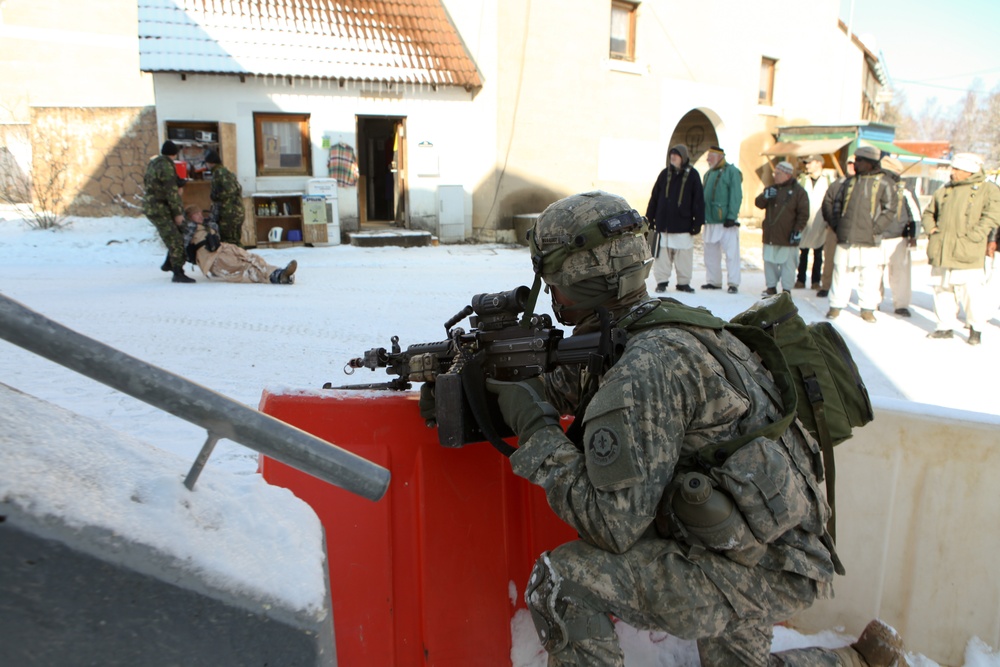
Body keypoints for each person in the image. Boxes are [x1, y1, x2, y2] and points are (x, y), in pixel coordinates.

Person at [483, 190, 906, 666]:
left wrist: (536, 428)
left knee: (562, 582)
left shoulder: (648, 364)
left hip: (754, 561)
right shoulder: (667, 327)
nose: (551, 293)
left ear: (580, 282)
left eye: (554, 280)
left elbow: (612, 527)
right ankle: (864, 661)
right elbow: (587, 385)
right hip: (772, 543)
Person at [923, 153, 1000, 345]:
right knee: (942, 289)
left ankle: (976, 328)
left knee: (971, 292)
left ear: (969, 171)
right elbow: (929, 212)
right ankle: (944, 326)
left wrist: (976, 235)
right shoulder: (945, 189)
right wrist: (931, 229)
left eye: (957, 169)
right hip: (941, 248)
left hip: (968, 250)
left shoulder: (987, 189)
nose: (953, 172)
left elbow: (993, 215)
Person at [825, 146, 896, 323]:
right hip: (846, 235)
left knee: (869, 275)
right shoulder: (849, 182)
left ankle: (867, 308)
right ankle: (835, 305)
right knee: (841, 271)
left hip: (870, 238)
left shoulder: (885, 182)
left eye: (859, 161)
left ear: (870, 163)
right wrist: (837, 225)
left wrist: (876, 229)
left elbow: (890, 209)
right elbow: (836, 205)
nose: (855, 164)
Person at [181, 205, 297, 285]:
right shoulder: (189, 228)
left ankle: (279, 272)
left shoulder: (207, 224)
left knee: (253, 258)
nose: (200, 216)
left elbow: (214, 217)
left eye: (200, 213)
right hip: (213, 258)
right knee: (243, 268)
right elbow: (180, 244)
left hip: (225, 248)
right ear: (190, 217)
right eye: (196, 214)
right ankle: (275, 277)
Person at [645, 145, 704, 293]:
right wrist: (649, 218)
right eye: (672, 155)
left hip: (683, 225)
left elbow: (698, 200)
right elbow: (655, 198)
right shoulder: (664, 174)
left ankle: (683, 282)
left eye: (676, 155)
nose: (673, 157)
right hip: (663, 224)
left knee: (684, 256)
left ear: (683, 157)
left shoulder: (693, 175)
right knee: (662, 256)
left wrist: (698, 222)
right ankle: (662, 282)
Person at [144, 140, 195, 283]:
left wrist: (178, 182)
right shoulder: (167, 166)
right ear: (174, 154)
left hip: (155, 207)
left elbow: (157, 184)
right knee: (176, 240)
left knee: (176, 234)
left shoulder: (154, 163)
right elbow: (171, 192)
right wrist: (178, 214)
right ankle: (178, 272)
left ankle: (169, 263)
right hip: (160, 208)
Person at [755, 161, 809, 295]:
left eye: (778, 174)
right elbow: (758, 203)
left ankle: (786, 289)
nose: (775, 176)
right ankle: (771, 287)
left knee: (788, 265)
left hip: (788, 235)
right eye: (775, 173)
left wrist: (797, 230)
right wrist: (765, 197)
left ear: (787, 175)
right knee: (769, 262)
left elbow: (803, 214)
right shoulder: (771, 189)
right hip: (771, 235)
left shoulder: (799, 192)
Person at [877, 157, 922, 317]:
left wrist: (913, 235)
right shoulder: (875, 184)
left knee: (899, 274)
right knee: (875, 272)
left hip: (898, 236)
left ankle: (901, 303)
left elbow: (914, 214)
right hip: (876, 236)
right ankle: (873, 301)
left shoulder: (904, 188)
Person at [701, 145, 743, 294]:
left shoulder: (732, 172)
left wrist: (732, 216)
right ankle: (713, 281)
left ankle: (733, 282)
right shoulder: (708, 174)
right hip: (710, 220)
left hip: (726, 222)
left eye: (710, 157)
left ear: (719, 157)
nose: (708, 159)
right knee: (710, 253)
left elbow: (736, 194)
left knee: (731, 253)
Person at [817, 157, 856, 297]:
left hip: (855, 231)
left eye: (854, 164)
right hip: (834, 229)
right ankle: (826, 285)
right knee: (829, 258)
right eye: (849, 163)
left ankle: (847, 291)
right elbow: (827, 203)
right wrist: (833, 223)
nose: (851, 166)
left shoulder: (862, 183)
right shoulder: (837, 184)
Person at [795, 155, 831, 290]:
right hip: (805, 220)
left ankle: (816, 281)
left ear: (818, 163)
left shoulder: (828, 180)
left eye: (810, 163)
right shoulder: (803, 180)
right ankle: (800, 279)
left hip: (820, 221)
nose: (807, 165)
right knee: (802, 251)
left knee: (818, 251)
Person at [205, 150, 245, 246]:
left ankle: (238, 259)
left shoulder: (218, 173)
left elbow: (228, 191)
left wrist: (215, 197)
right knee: (235, 240)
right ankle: (242, 259)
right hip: (237, 211)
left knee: (229, 242)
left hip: (228, 212)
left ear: (210, 163)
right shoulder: (227, 172)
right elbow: (237, 188)